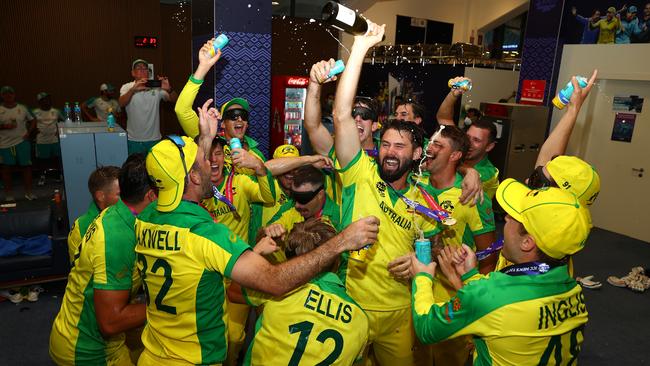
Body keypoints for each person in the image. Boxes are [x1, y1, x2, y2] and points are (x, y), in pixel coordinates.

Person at [134, 106, 379, 365]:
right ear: (194, 176)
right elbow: (274, 281)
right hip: (193, 359)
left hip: (152, 353)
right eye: (205, 160)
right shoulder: (207, 236)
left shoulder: (147, 217)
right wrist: (341, 242)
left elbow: (190, 177)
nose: (214, 162)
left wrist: (205, 139)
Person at [332, 21, 440, 365]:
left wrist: (420, 264)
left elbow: (435, 248)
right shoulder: (360, 172)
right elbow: (340, 114)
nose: (390, 152)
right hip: (352, 304)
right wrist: (361, 47)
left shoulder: (426, 202)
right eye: (386, 144)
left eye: (400, 146)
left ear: (417, 154)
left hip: (399, 312)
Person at [409, 178, 591, 365]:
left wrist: (422, 276)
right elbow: (503, 307)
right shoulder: (573, 290)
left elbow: (426, 327)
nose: (505, 218)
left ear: (527, 242)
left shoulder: (489, 296)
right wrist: (471, 276)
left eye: (513, 217)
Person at [389, 125, 496, 365]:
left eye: (438, 145)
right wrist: (471, 170)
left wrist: (476, 310)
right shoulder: (414, 183)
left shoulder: (471, 197)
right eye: (430, 143)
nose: (430, 147)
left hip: (452, 299)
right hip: (411, 292)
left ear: (455, 155)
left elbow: (489, 259)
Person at [50, 153, 157, 365]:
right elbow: (110, 321)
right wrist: (166, 305)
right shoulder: (115, 237)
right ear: (152, 196)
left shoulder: (118, 216)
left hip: (98, 336)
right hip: (87, 349)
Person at [228, 219, 369, 366]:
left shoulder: (276, 289)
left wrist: (256, 252)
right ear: (337, 262)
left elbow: (233, 291)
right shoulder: (360, 319)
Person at [175, 39, 265, 174]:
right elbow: (182, 110)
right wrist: (203, 68)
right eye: (233, 115)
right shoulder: (208, 138)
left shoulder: (255, 153)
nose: (239, 119)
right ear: (222, 123)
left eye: (243, 115)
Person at [304, 59, 380, 159]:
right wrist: (314, 83)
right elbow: (313, 126)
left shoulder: (385, 155)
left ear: (374, 126)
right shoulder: (336, 152)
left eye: (365, 114)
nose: (357, 118)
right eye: (352, 114)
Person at [264, 165, 342, 250]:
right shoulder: (289, 206)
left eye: (303, 199)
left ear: (320, 195)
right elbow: (262, 236)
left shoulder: (339, 218)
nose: (297, 205)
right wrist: (270, 231)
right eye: (294, 196)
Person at [119, 59, 177, 154]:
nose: (142, 69)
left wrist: (169, 89)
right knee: (133, 168)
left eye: (145, 68)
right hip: (133, 139)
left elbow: (175, 100)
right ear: (133, 73)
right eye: (138, 68)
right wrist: (133, 90)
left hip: (154, 139)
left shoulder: (156, 88)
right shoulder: (127, 87)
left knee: (153, 168)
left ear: (148, 72)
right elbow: (121, 103)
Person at [67, 166, 121, 263]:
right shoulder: (81, 226)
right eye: (120, 194)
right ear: (101, 196)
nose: (127, 198)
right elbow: (79, 269)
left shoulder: (131, 215)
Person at [0, 85, 37, 201]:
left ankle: (29, 192)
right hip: (4, 143)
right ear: (2, 96)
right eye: (5, 94)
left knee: (26, 167)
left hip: (22, 141)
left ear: (14, 95)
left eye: (10, 93)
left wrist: (29, 133)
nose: (8, 96)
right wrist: (4, 126)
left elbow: (33, 120)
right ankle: (9, 194)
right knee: (6, 169)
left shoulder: (23, 108)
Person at [32, 92, 63, 186]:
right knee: (42, 160)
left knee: (57, 158)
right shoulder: (34, 112)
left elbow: (64, 121)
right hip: (41, 140)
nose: (47, 101)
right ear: (39, 102)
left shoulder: (56, 111)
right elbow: (28, 122)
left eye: (48, 99)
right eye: (44, 99)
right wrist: (33, 131)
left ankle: (58, 175)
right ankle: (42, 176)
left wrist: (60, 130)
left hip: (54, 139)